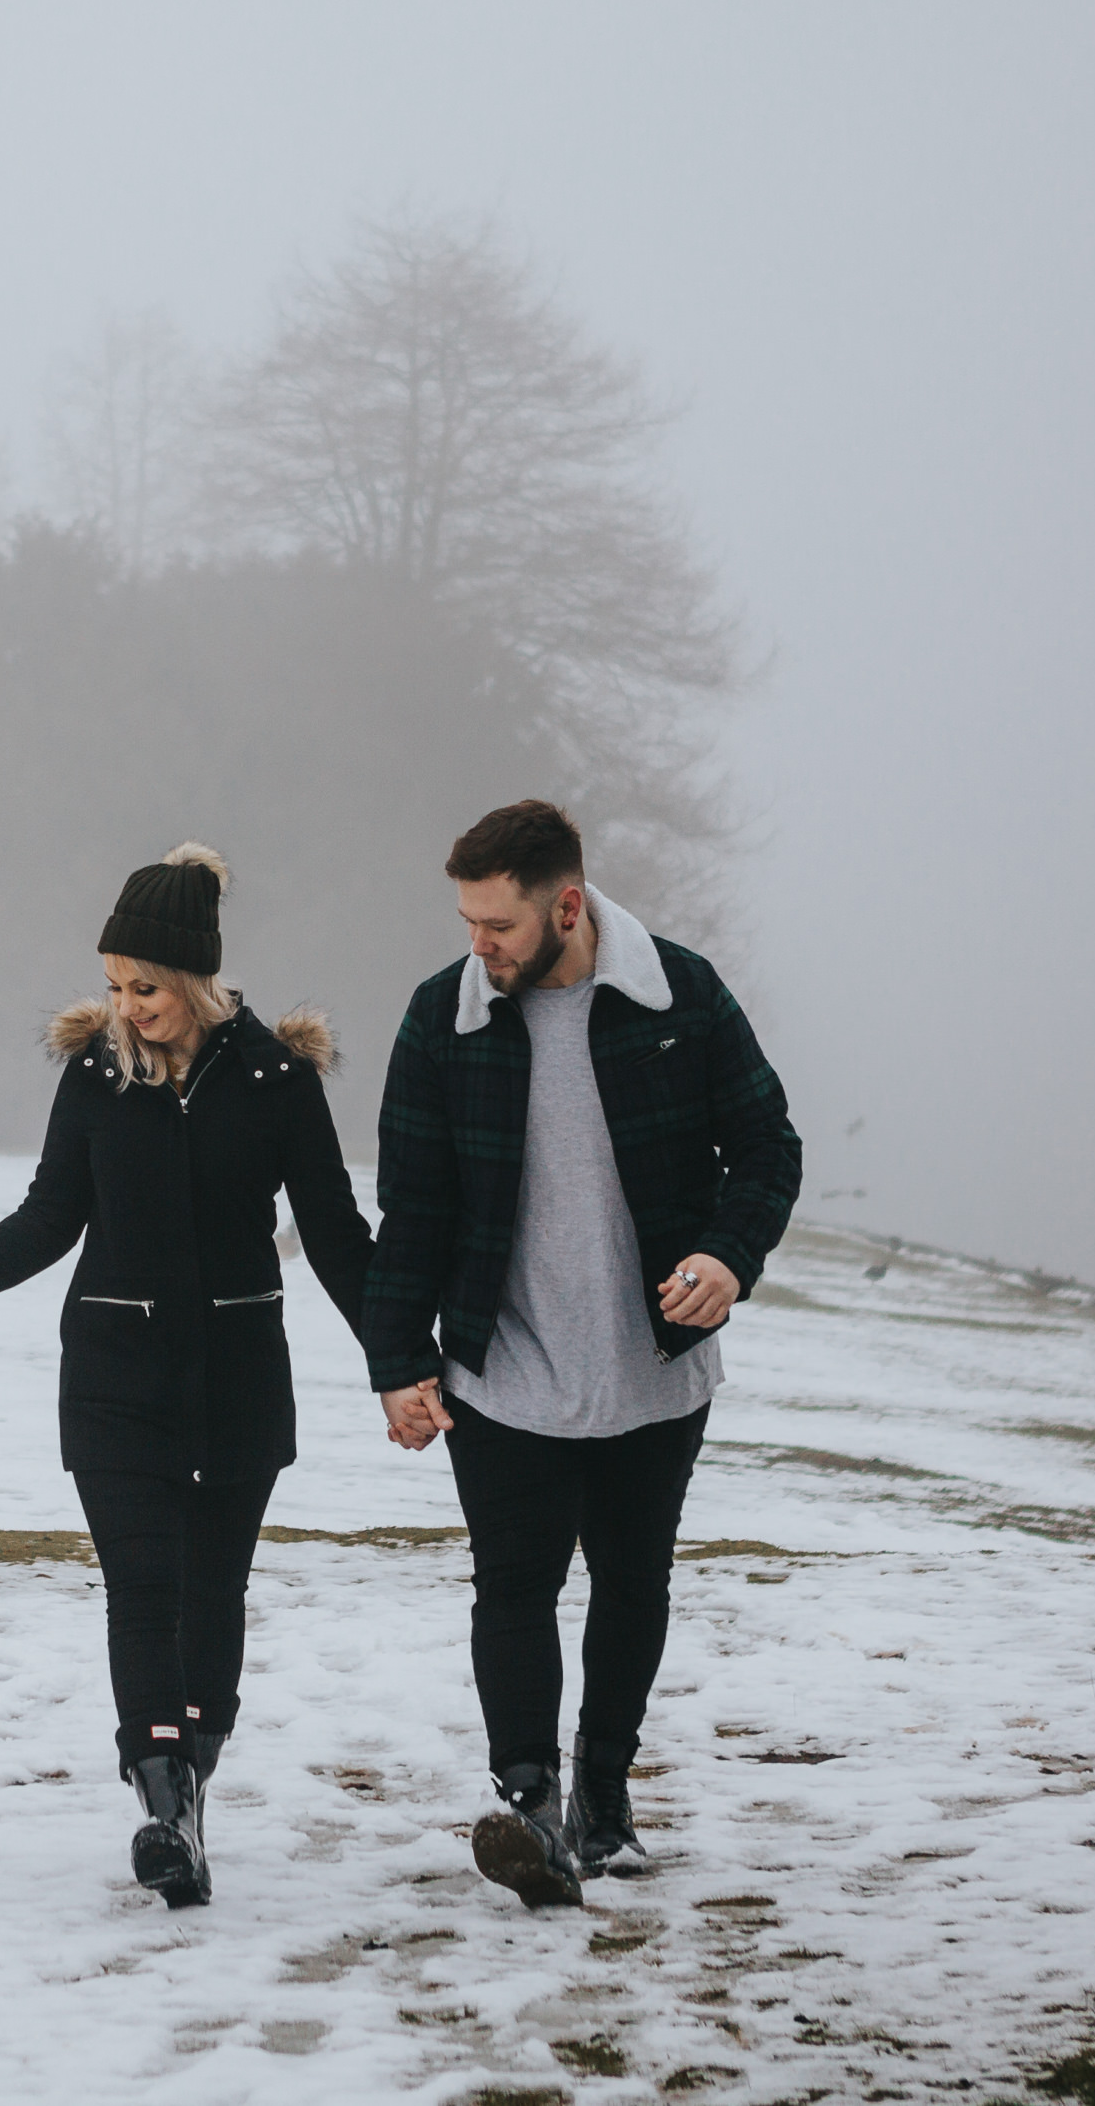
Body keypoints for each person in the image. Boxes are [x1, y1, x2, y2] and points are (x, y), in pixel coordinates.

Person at [0, 844, 374, 1909]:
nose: (123, 1007)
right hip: (113, 1379)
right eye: (112, 984)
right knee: (143, 1588)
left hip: (239, 1379)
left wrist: (403, 1359)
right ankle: (162, 1805)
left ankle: (190, 1777)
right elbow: (50, 1218)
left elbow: (335, 1236)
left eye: (143, 987)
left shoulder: (279, 1082)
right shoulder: (95, 1075)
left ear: (194, 979)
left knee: (212, 1593)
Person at [364, 798, 800, 1909]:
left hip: (653, 1367)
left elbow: (766, 1145)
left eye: (498, 925)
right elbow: (409, 1209)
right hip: (500, 1369)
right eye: (466, 922)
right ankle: (529, 1806)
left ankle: (605, 1799)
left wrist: (726, 1254)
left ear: (566, 905)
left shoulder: (678, 995)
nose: (479, 945)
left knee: (630, 1581)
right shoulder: (442, 1019)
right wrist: (397, 1362)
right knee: (512, 1583)